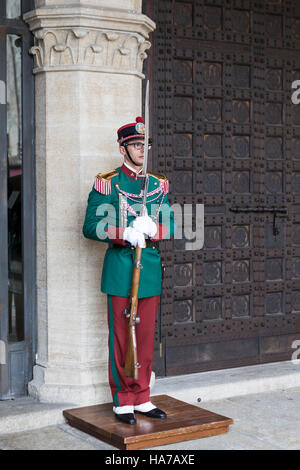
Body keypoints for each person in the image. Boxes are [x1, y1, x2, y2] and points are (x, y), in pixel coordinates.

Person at [82, 117, 176, 425]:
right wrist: (123, 233)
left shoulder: (158, 184)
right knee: (122, 336)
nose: (141, 150)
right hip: (121, 269)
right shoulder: (108, 182)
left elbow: (172, 224)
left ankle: (142, 396)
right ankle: (123, 399)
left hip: (148, 270)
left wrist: (154, 229)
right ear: (123, 149)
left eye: (144, 145)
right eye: (135, 145)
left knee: (145, 336)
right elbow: (91, 226)